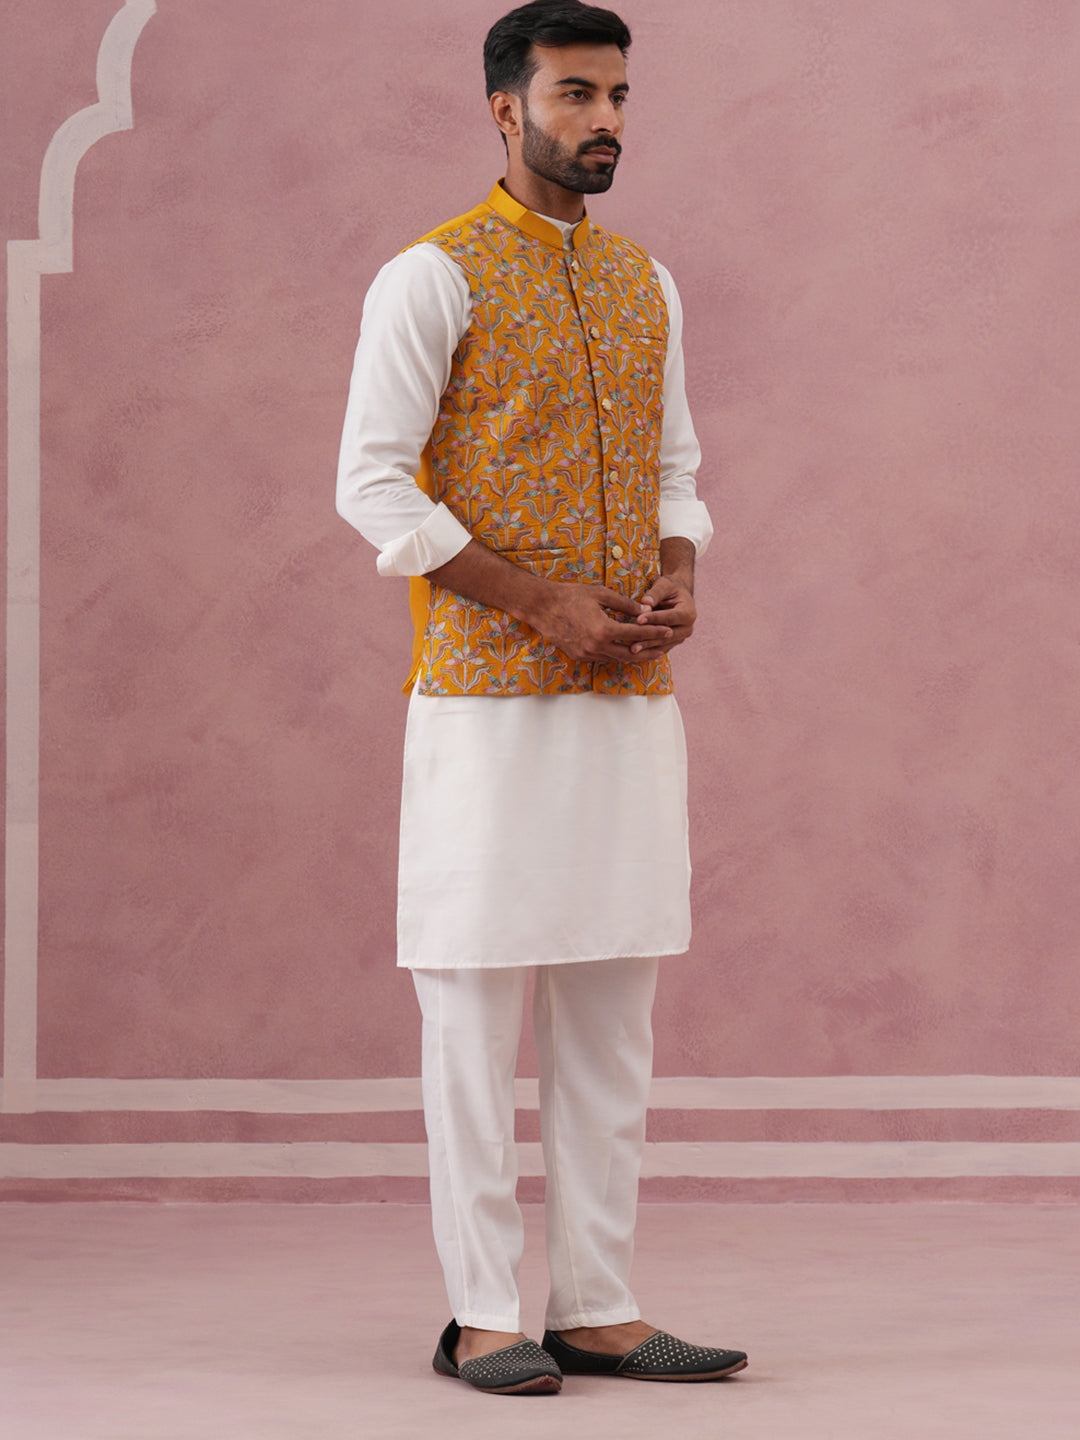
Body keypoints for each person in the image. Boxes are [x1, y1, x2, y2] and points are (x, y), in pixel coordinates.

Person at [336, 0, 748, 1396]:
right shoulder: (430, 277)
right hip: (483, 701)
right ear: (507, 109)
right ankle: (481, 1314)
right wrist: (538, 603)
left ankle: (599, 1307)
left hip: (629, 696)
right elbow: (371, 484)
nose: (607, 119)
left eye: (617, 95)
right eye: (577, 93)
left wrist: (677, 572)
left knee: (614, 1000)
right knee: (471, 1008)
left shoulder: (645, 282)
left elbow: (677, 467)